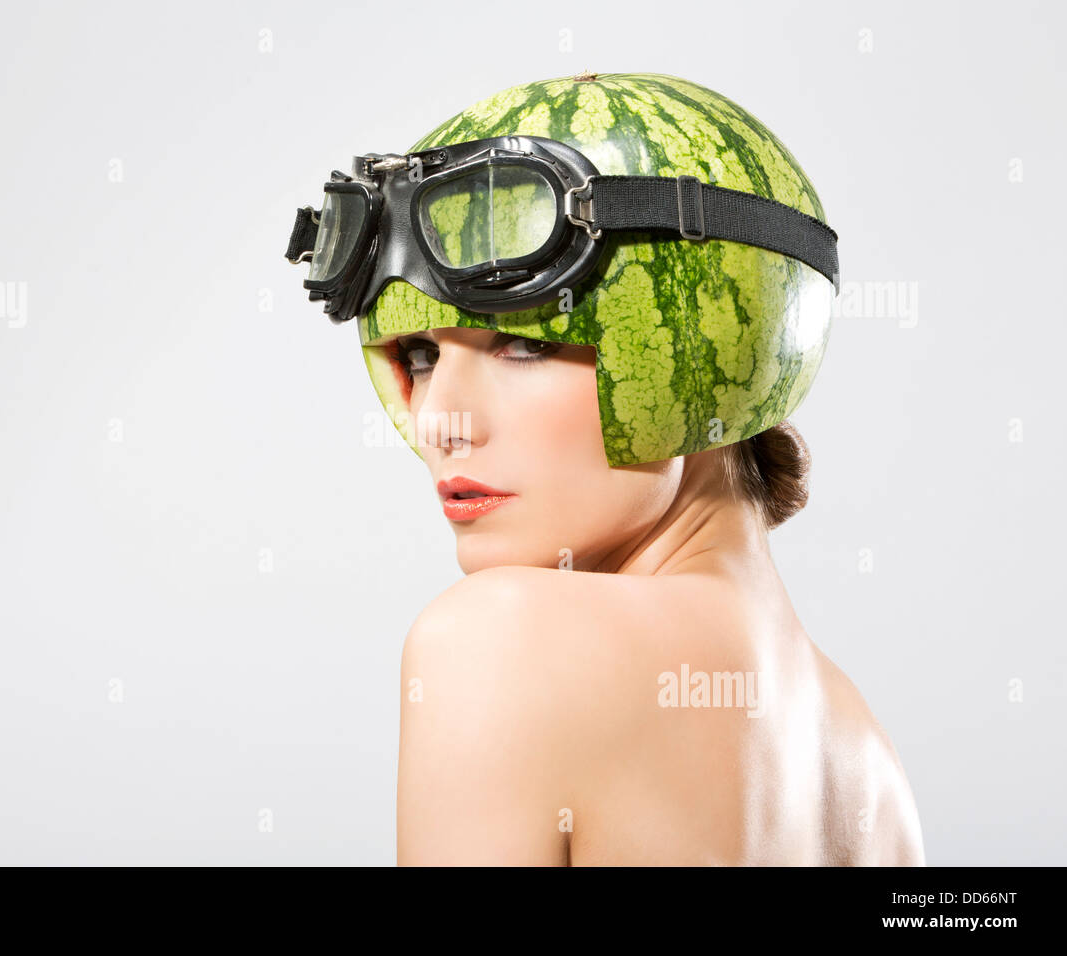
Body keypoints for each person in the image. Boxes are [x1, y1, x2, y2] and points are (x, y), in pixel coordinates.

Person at [286, 71, 924, 865]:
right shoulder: (870, 767)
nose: (439, 420)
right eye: (419, 354)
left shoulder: (502, 638)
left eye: (527, 343)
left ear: (707, 356)